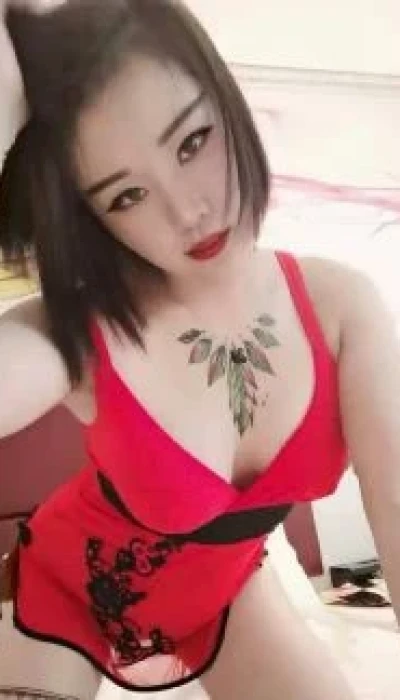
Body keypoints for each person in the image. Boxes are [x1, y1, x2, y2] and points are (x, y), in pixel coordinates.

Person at [0, 0, 399, 698]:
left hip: (224, 595)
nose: (188, 211)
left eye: (192, 143)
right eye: (127, 196)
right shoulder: (81, 332)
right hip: (71, 588)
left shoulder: (344, 307)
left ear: (227, 97)